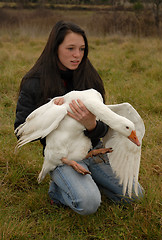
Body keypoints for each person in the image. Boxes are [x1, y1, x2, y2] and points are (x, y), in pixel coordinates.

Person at [14, 20, 144, 215]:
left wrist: (91, 125)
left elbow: (105, 125)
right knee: (89, 203)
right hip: (63, 155)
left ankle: (85, 182)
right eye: (71, 48)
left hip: (92, 149)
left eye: (82, 49)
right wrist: (50, 114)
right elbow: (20, 128)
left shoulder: (90, 79)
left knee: (134, 197)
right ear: (55, 48)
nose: (77, 55)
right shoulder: (34, 82)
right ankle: (58, 192)